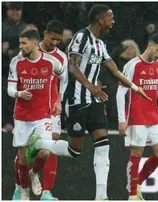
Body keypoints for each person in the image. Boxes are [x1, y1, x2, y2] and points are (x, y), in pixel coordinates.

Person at [25, 4, 150, 200]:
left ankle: (101, 196)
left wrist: (136, 88)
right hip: (77, 100)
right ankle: (39, 142)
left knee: (103, 145)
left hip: (95, 101)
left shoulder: (100, 44)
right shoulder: (80, 38)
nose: (113, 21)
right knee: (74, 150)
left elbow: (115, 71)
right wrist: (91, 87)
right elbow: (73, 67)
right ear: (101, 20)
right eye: (111, 17)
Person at [7, 29, 67, 200]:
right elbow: (10, 88)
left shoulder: (51, 61)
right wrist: (19, 93)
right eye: (20, 43)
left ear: (35, 43)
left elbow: (63, 76)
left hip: (42, 115)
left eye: (24, 43)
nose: (21, 47)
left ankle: (34, 174)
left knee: (45, 152)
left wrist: (58, 100)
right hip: (22, 116)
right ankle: (24, 190)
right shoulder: (16, 62)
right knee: (23, 156)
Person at [117, 33, 158, 200]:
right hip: (136, 116)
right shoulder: (132, 65)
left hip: (154, 116)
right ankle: (132, 195)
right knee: (136, 154)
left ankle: (136, 182)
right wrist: (122, 120)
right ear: (150, 45)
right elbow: (120, 93)